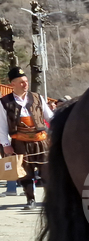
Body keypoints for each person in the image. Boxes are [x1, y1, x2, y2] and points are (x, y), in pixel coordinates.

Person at [1, 66, 53, 209]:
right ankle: (31, 200)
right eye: (21, 82)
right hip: (20, 142)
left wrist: (55, 134)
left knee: (47, 171)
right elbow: (2, 126)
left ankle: (50, 200)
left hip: (40, 140)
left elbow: (51, 117)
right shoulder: (5, 102)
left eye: (26, 81)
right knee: (25, 173)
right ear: (12, 84)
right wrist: (6, 144)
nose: (25, 84)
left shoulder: (37, 97)